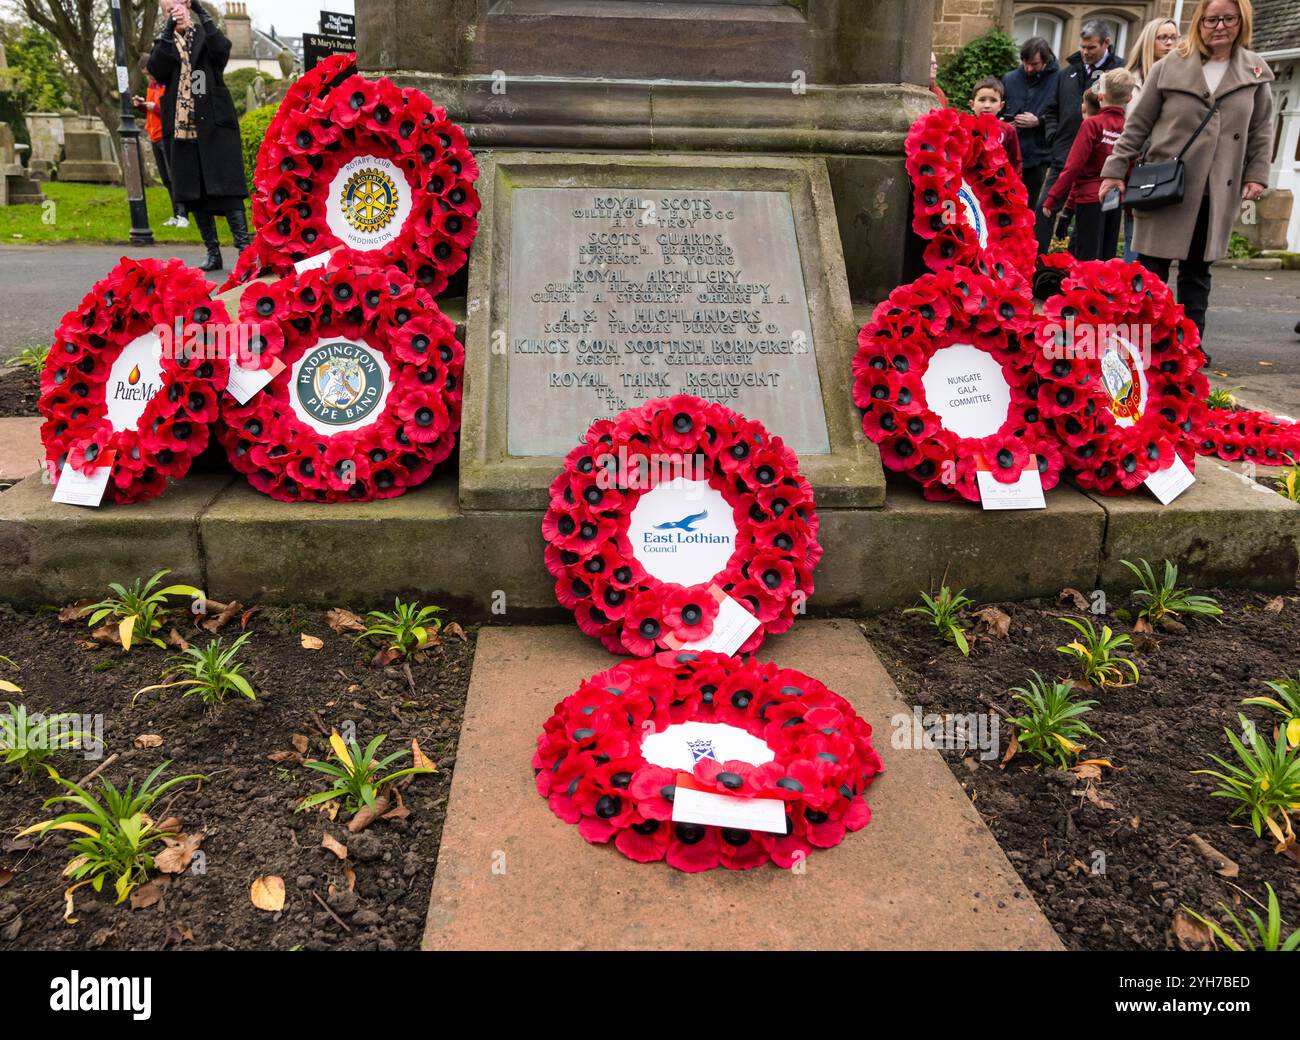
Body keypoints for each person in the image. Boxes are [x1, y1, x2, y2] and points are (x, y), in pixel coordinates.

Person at [1099, 0, 1273, 354]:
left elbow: (1261, 131)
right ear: (1199, 22)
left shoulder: (1256, 72)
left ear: (1242, 22)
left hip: (1216, 190)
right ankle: (1141, 344)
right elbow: (1138, 125)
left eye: (1228, 18)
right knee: (1151, 272)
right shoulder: (1170, 66)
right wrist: (1115, 170)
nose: (1219, 26)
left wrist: (1256, 174)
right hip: (1167, 186)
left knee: (1197, 274)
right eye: (1211, 19)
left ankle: (1189, 348)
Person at [148, 0, 250, 272]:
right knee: (193, 192)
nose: (177, 12)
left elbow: (222, 52)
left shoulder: (205, 35)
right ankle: (213, 252)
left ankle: (245, 251)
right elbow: (157, 70)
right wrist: (169, 27)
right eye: (170, 10)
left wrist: (201, 12)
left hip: (214, 123)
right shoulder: (165, 43)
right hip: (182, 129)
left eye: (180, 7)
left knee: (227, 187)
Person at [1037, 21, 1124, 253]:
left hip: (1100, 165)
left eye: (1091, 47)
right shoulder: (1067, 73)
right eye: (1082, 47)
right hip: (1064, 155)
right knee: (1044, 209)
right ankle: (1038, 266)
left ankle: (1080, 271)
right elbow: (1052, 109)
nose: (1085, 52)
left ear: (1107, 43)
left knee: (1089, 225)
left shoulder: (1117, 74)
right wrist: (1054, 137)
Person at [1043, 70, 1134, 262]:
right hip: (1115, 198)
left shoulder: (1092, 125)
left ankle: (1085, 292)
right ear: (1129, 97)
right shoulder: (1129, 127)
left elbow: (1073, 166)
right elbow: (1131, 166)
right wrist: (1129, 207)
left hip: (1090, 198)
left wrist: (1052, 197)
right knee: (1107, 259)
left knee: (1087, 258)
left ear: (1100, 96)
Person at [1121, 18, 1182, 259]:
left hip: (1172, 164)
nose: (1169, 43)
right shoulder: (1132, 80)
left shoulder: (1185, 77)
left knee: (1162, 237)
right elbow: (1132, 125)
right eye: (1162, 37)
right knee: (1135, 233)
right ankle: (1132, 286)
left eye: (1173, 37)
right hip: (1140, 164)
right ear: (1149, 41)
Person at [1003, 37, 1060, 212]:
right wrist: (1005, 124)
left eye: (1034, 64)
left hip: (1039, 155)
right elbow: (1000, 108)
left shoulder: (1060, 79)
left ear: (1046, 60)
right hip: (1010, 153)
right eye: (1025, 63)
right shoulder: (1010, 78)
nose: (1028, 68)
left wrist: (1038, 121)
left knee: (1029, 208)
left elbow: (1062, 115)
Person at [132, 58, 187, 228]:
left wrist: (153, 107)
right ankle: (175, 214)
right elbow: (153, 111)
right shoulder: (152, 85)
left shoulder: (167, 85)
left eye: (149, 74)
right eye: (146, 75)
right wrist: (141, 106)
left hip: (166, 135)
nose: (149, 78)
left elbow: (169, 110)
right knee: (166, 179)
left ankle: (184, 214)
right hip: (154, 135)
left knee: (175, 177)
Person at [970, 77, 1022, 174]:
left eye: (993, 100)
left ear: (1001, 106)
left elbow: (1015, 162)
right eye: (982, 100)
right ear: (972, 104)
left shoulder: (1008, 130)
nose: (987, 105)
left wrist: (1014, 187)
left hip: (998, 184)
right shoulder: (965, 128)